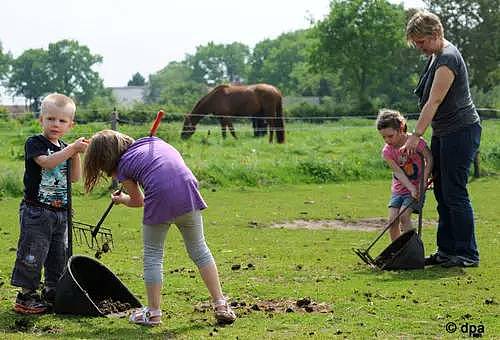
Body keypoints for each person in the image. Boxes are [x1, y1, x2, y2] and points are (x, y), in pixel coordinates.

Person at [83, 130, 236, 326]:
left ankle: (153, 313)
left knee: (153, 255)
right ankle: (221, 304)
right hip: (188, 191)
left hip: (161, 197)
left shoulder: (123, 166)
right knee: (199, 249)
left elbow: (138, 201)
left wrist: (122, 199)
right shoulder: (154, 142)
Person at [402, 11, 481, 268]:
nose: (420, 48)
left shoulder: (447, 58)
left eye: (422, 42)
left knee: (455, 192)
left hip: (461, 131)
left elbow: (434, 101)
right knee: (442, 192)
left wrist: (416, 135)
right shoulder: (436, 55)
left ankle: (467, 253)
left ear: (435, 34)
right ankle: (446, 251)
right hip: (445, 132)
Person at [11, 93, 88, 314]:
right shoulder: (35, 143)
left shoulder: (65, 147)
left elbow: (74, 178)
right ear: (41, 120)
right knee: (33, 251)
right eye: (51, 119)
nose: (56, 124)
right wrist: (71, 149)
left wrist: (76, 154)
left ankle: (52, 290)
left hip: (60, 212)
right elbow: (46, 163)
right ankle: (26, 295)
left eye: (62, 121)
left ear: (70, 125)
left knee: (58, 254)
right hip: (37, 211)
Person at [377, 109, 432, 241]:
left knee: (404, 217)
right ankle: (397, 251)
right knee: (392, 220)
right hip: (399, 190)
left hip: (417, 189)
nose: (387, 140)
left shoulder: (416, 142)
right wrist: (410, 187)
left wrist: (422, 183)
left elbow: (429, 159)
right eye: (383, 137)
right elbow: (397, 172)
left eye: (390, 136)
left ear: (401, 128)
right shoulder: (387, 151)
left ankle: (412, 248)